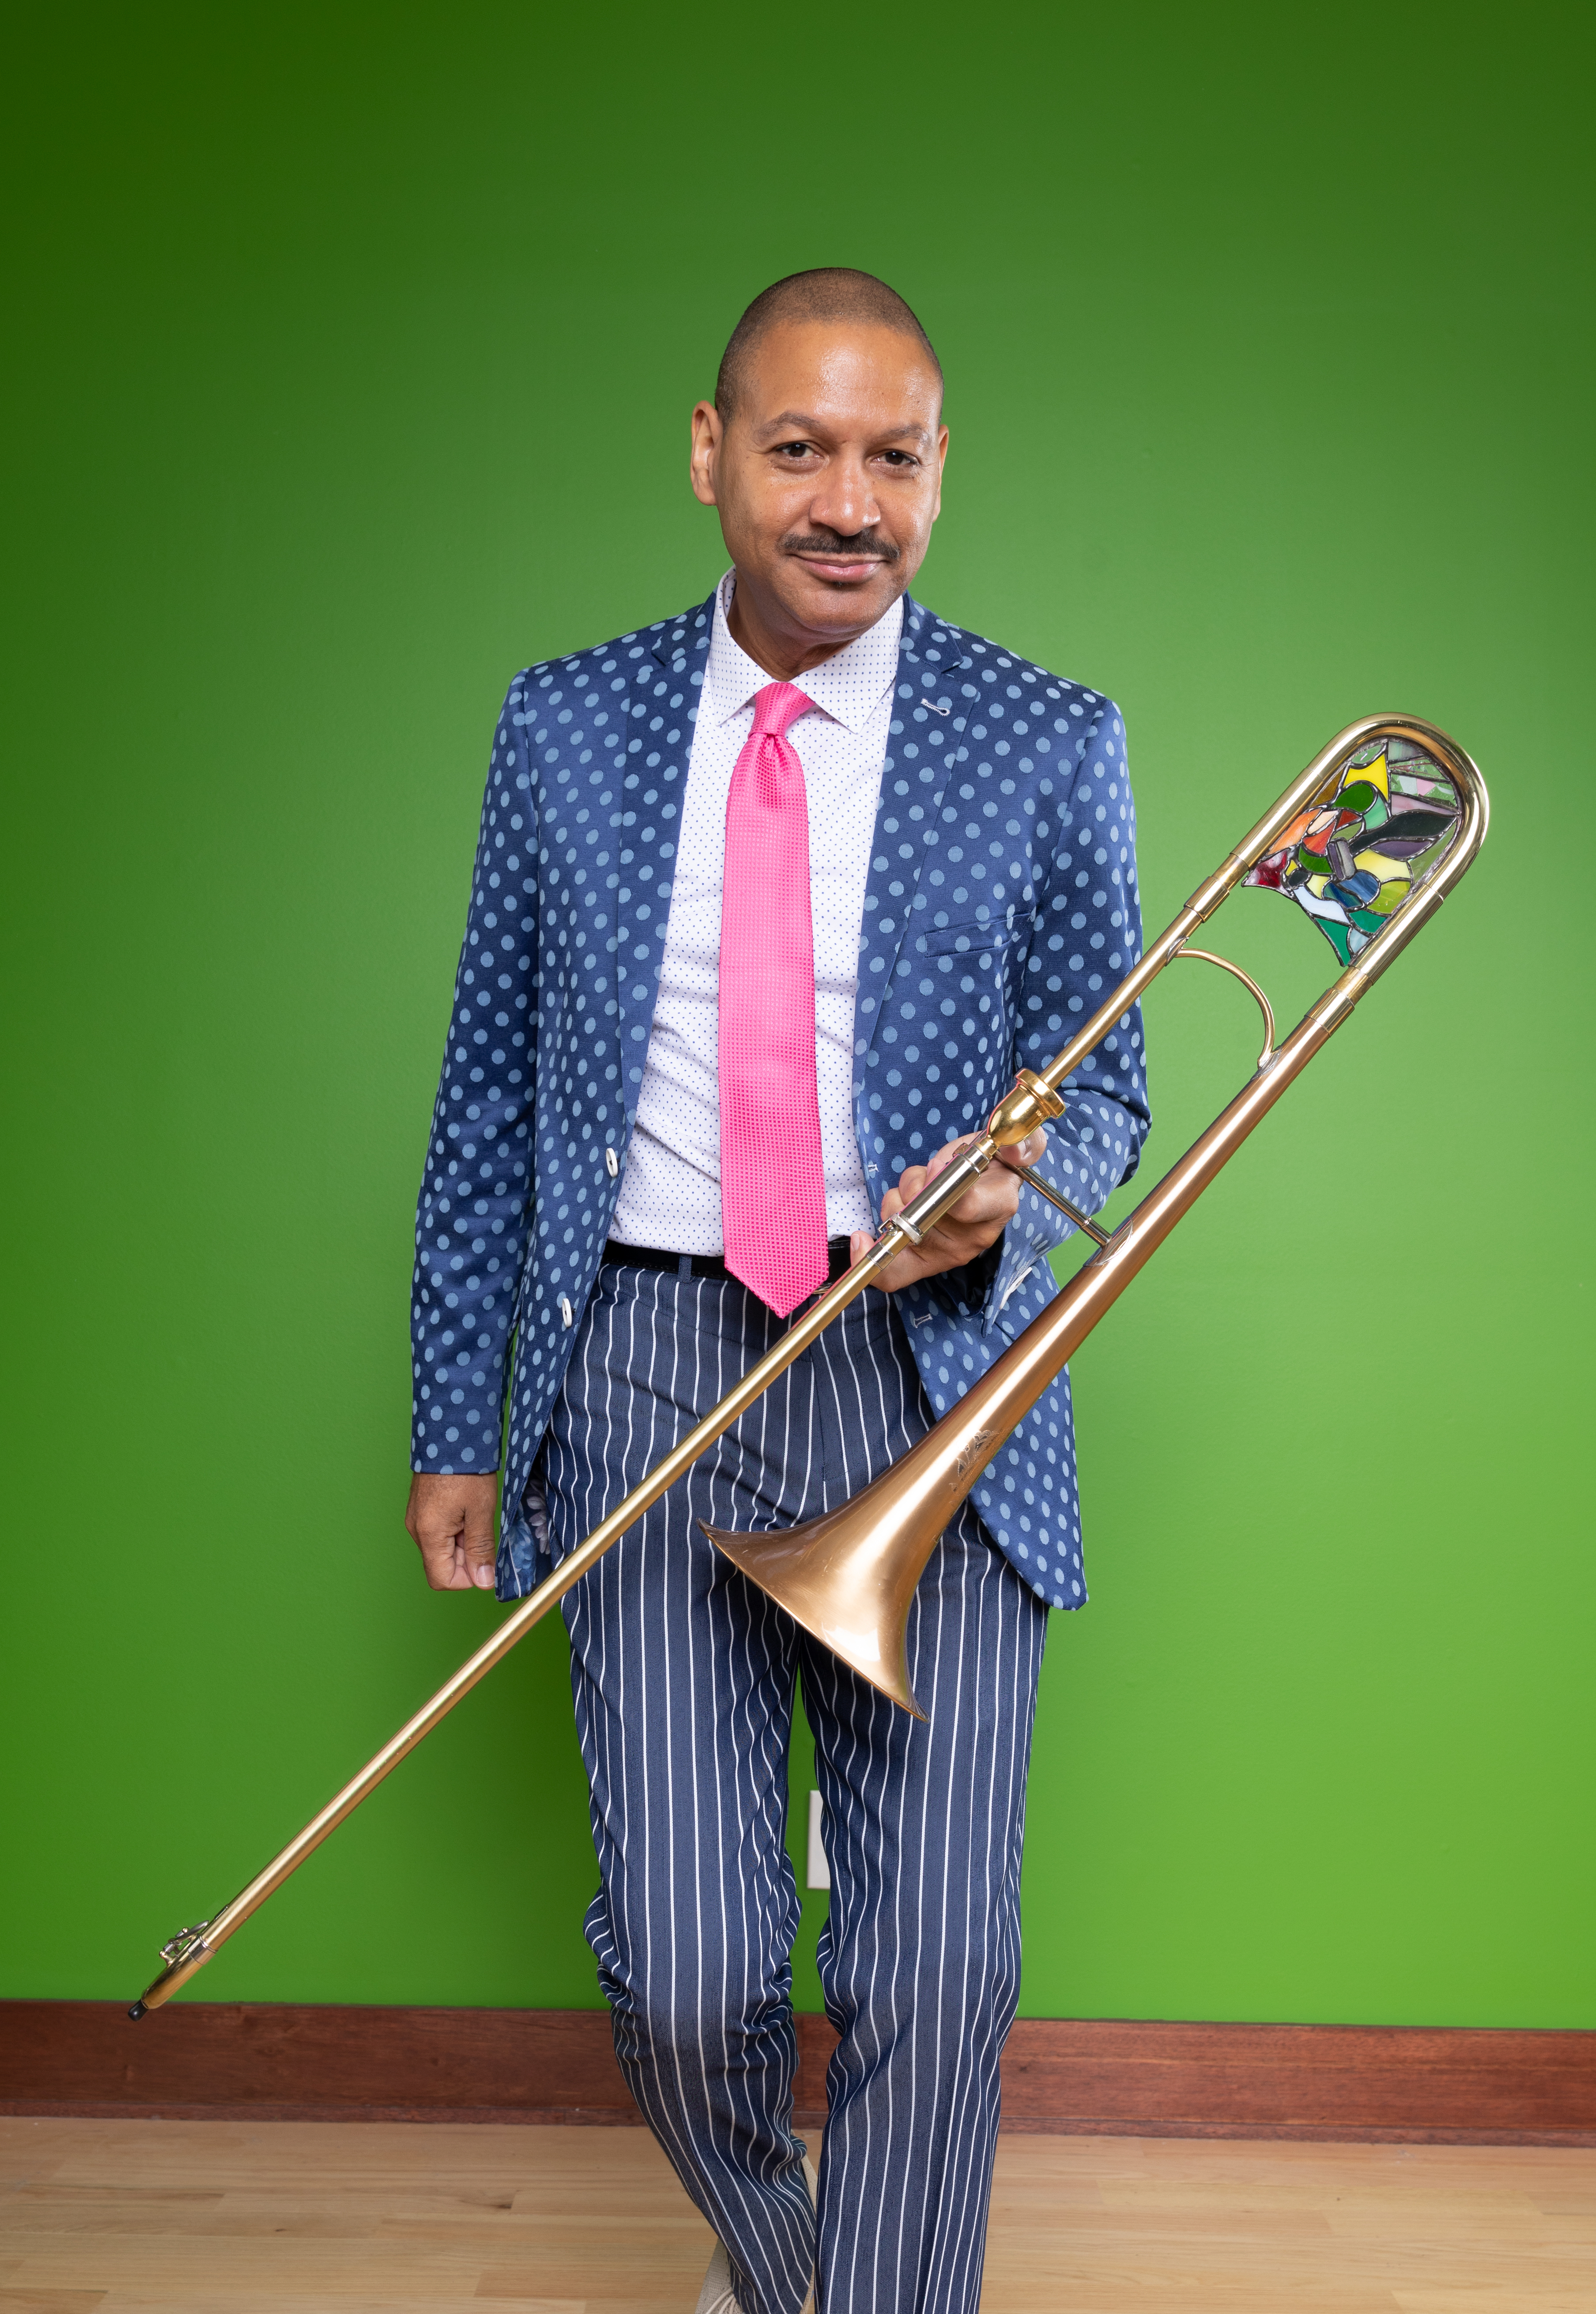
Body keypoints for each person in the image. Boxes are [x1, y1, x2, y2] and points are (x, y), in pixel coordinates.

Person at [405, 269, 1150, 2314]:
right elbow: (486, 1088)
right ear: (710, 452)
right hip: (642, 1356)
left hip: (938, 1383)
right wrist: (449, 1425)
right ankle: (798, 2267)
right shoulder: (565, 722)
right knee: (685, 1971)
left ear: (939, 474)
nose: (850, 501)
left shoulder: (1045, 734)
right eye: (802, 448)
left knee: (937, 1967)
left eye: (894, 457)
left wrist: (1022, 1190)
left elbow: (1122, 1089)